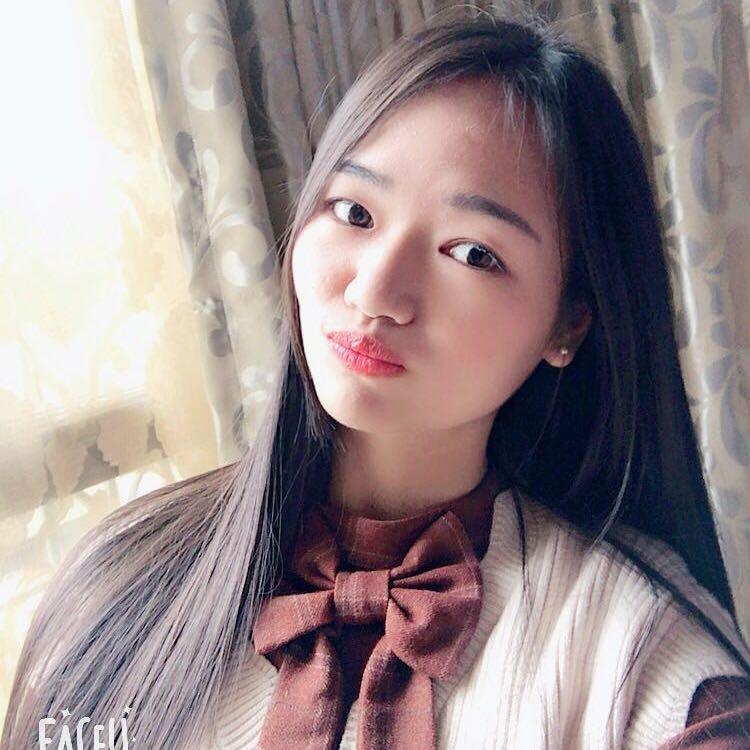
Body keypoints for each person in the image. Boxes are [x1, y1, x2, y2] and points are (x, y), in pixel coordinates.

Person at [3, 12, 750, 750]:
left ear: (568, 326)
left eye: (473, 253)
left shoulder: (643, 661)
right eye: (354, 211)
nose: (375, 290)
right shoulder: (123, 584)